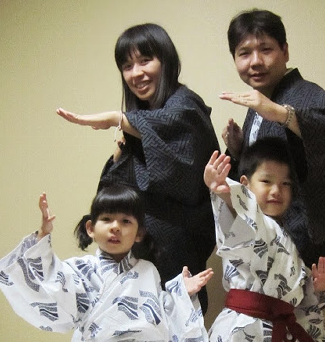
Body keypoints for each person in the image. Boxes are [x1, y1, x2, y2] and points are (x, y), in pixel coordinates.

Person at [0, 185, 214, 342]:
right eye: (107, 219)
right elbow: (54, 287)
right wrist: (42, 235)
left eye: (126, 221)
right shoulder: (82, 269)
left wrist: (181, 292)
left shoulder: (147, 271)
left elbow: (160, 317)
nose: (115, 227)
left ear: (139, 233)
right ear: (91, 228)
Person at [56, 23, 220, 313]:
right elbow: (115, 191)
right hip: (135, 259)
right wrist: (120, 153)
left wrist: (116, 119)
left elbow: (180, 165)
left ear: (166, 60)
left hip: (174, 256)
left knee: (176, 332)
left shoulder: (185, 106)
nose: (136, 73)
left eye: (145, 60)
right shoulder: (140, 118)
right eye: (127, 66)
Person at [195, 138, 325, 342]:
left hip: (277, 336)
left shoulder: (286, 239)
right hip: (245, 332)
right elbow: (243, 212)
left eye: (285, 184)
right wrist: (224, 191)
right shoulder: (252, 223)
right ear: (245, 184)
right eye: (267, 181)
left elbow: (296, 294)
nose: (276, 191)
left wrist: (316, 288)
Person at [220, 9, 325, 274]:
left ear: (285, 51)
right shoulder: (260, 100)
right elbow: (259, 170)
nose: (255, 62)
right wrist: (239, 151)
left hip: (297, 243)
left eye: (266, 49)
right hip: (259, 240)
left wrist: (282, 114)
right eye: (244, 53)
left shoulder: (303, 95)